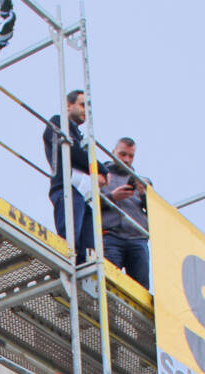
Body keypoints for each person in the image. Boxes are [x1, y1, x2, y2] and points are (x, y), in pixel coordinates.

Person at [43, 90, 99, 261]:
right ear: (68, 105)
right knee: (69, 243)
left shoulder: (78, 136)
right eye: (82, 105)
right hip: (67, 188)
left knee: (88, 251)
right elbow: (71, 152)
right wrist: (100, 170)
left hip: (82, 194)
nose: (85, 111)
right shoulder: (58, 123)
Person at [101, 137, 150, 288]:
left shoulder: (142, 181)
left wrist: (144, 194)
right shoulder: (99, 174)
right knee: (107, 284)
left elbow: (155, 213)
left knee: (140, 289)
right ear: (113, 153)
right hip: (110, 235)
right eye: (122, 154)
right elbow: (87, 201)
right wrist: (112, 197)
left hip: (137, 238)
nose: (127, 159)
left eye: (130, 156)